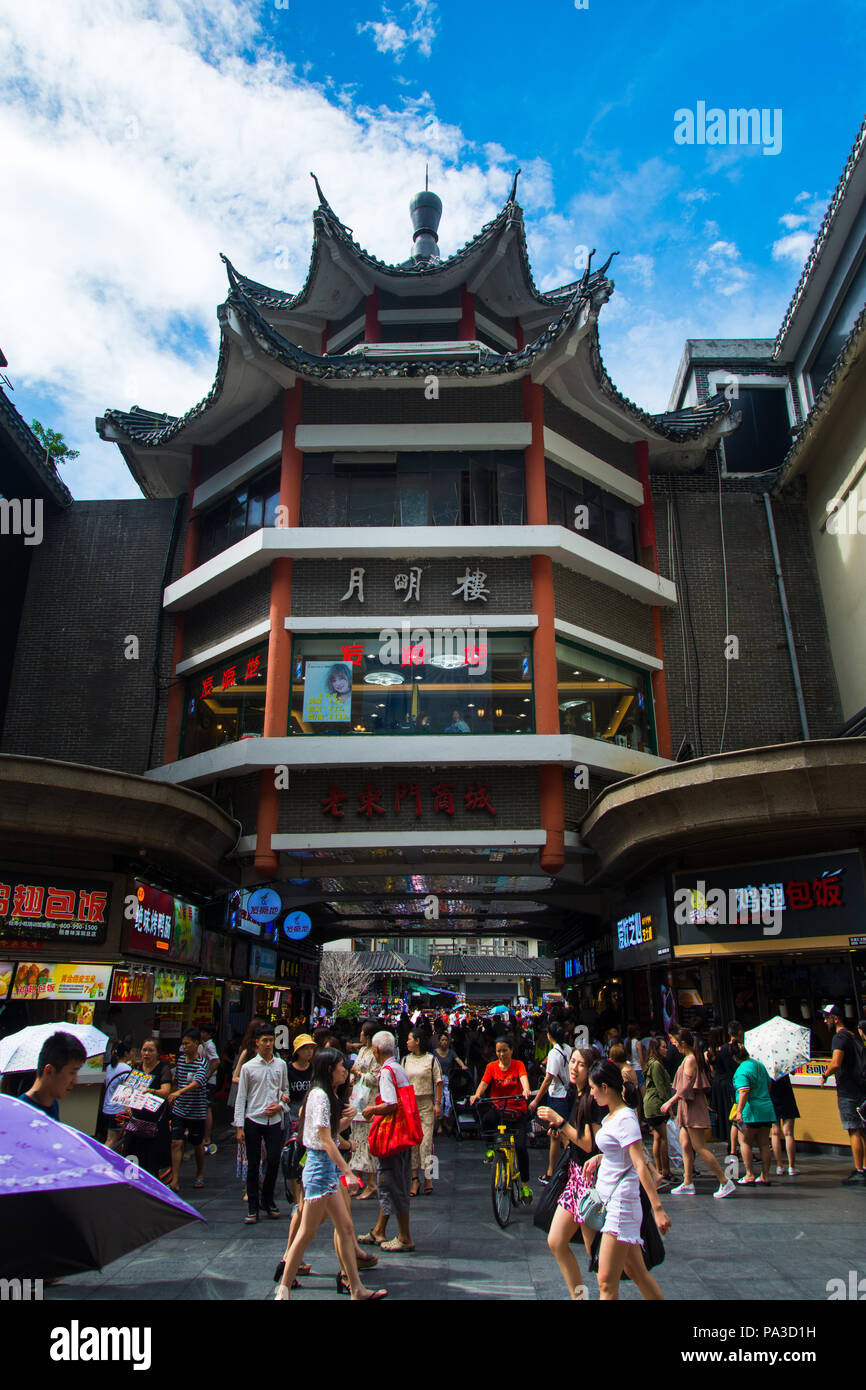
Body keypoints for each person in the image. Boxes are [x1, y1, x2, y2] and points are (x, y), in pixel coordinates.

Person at [275, 1049, 387, 1301]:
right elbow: (325, 1140)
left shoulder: (324, 1095)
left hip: (326, 1170)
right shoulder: (321, 1096)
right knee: (306, 1233)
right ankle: (282, 1291)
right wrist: (347, 1171)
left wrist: (346, 1120)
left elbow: (328, 1134)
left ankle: (356, 1288)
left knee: (345, 1227)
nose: (345, 1071)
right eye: (341, 1067)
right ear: (329, 1070)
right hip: (319, 1169)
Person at [581, 1059, 671, 1300]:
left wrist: (658, 1208)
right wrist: (601, 1157)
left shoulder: (625, 1118)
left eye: (592, 1088)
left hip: (620, 1205)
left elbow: (640, 1163)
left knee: (606, 1282)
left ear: (605, 1087)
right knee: (636, 1272)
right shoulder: (614, 1116)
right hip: (611, 1201)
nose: (591, 1094)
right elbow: (622, 1152)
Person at [539, 1047, 603, 1299]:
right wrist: (561, 1130)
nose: (574, 1068)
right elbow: (575, 1141)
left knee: (594, 1252)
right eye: (572, 1062)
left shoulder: (594, 1099)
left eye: (580, 1064)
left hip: (589, 1181)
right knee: (556, 1241)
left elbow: (589, 1144)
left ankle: (605, 1293)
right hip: (575, 1176)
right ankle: (580, 1296)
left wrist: (561, 1122)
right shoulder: (575, 1094)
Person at [358, 1031, 416, 1253]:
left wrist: (372, 1109)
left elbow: (391, 1103)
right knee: (391, 1181)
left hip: (391, 1136)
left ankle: (404, 1236)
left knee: (392, 1183)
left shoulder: (386, 1072)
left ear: (375, 1050)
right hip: (402, 1135)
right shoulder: (399, 1068)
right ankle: (379, 1230)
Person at [661, 1029, 736, 1199]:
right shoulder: (689, 1059)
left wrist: (670, 1102)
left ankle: (725, 1181)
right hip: (687, 1106)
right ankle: (687, 1182)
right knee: (686, 1145)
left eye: (675, 1042)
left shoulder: (690, 1060)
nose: (673, 1044)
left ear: (683, 1043)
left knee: (699, 1147)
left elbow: (686, 1087)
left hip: (692, 1107)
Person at [233, 1023, 289, 1224]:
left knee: (274, 1161)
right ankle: (253, 1207)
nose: (267, 1044)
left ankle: (268, 1200)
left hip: (274, 1120)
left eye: (270, 1041)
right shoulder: (248, 1068)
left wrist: (281, 1105)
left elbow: (285, 1091)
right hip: (253, 1119)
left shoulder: (280, 1065)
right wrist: (239, 1126)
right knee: (253, 1164)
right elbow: (241, 1097)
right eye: (264, 1041)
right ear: (257, 1043)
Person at [470, 1035, 533, 1203]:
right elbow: (483, 1084)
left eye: (505, 1050)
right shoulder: (491, 1067)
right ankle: (491, 1149)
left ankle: (525, 1185)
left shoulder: (518, 1065)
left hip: (516, 1112)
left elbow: (523, 1079)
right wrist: (476, 1095)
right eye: (498, 1051)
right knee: (487, 1120)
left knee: (520, 1148)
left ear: (511, 1050)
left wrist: (526, 1090)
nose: (502, 1054)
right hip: (499, 1109)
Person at [820, 1004, 866, 1185]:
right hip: (860, 1088)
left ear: (835, 1019)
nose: (825, 1021)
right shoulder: (853, 1035)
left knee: (853, 1129)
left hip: (848, 1090)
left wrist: (825, 1074)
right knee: (862, 1130)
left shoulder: (839, 1038)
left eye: (827, 1017)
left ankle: (859, 1170)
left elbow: (836, 1062)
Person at [120, 1038, 173, 1178]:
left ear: (157, 1053)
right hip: (136, 1120)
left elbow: (166, 1091)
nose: (147, 1053)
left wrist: (152, 1091)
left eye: (150, 1050)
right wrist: (126, 1105)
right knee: (131, 1154)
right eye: (144, 1050)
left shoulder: (163, 1068)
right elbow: (127, 1090)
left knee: (152, 1158)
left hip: (154, 1122)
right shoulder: (136, 1068)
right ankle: (130, 1182)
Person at [530, 1021, 573, 1184]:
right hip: (566, 1095)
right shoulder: (568, 1049)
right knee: (555, 1134)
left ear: (549, 1036)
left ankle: (572, 1168)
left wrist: (536, 1100)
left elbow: (548, 1079)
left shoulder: (555, 1053)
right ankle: (551, 1171)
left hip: (557, 1097)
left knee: (562, 1134)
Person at [167, 1027, 209, 1193]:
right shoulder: (180, 1061)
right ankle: (175, 1179)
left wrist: (179, 1092)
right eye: (183, 1044)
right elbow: (177, 1080)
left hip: (196, 1110)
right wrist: (174, 1092)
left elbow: (198, 1082)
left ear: (196, 1044)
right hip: (180, 1109)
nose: (184, 1047)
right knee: (176, 1142)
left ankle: (199, 1174)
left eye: (187, 1044)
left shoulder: (202, 1062)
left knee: (197, 1143)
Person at [402, 1028, 443, 1196]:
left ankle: (429, 1177)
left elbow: (439, 1082)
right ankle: (414, 1179)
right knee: (412, 1143)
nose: (407, 1042)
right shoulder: (405, 1060)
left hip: (426, 1104)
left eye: (409, 1039)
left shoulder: (431, 1060)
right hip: (410, 1105)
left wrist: (437, 1104)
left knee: (426, 1142)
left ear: (417, 1041)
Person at [733, 1046, 777, 1184]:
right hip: (766, 1109)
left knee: (745, 1142)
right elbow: (769, 1085)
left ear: (735, 1058)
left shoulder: (741, 1070)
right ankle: (765, 1176)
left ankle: (749, 1174)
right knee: (764, 1143)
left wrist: (739, 1111)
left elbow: (744, 1091)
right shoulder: (760, 1065)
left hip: (750, 1111)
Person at [21, 1031, 87, 1120]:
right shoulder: (22, 1111)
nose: (75, 1081)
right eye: (72, 1072)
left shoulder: (53, 1103)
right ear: (49, 1071)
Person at [230, 1021, 261, 1203]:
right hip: (249, 1105)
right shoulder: (247, 1054)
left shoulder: (276, 1059)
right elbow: (235, 1076)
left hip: (266, 1109)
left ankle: (260, 1181)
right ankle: (249, 1185)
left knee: (264, 1151)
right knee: (249, 1150)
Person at [349, 1020, 381, 1198]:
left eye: (362, 1033)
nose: (359, 1036)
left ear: (367, 1036)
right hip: (357, 1100)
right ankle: (357, 1180)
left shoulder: (375, 1054)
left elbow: (376, 1077)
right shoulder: (362, 1051)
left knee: (368, 1143)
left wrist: (359, 1075)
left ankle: (371, 1182)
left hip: (369, 1101)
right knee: (357, 1141)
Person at [641, 1037, 674, 1188]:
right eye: (663, 1047)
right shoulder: (656, 1065)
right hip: (657, 1105)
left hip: (651, 1105)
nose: (666, 1050)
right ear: (657, 1048)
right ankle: (664, 1170)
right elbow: (662, 1087)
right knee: (662, 1138)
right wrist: (669, 1106)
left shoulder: (651, 1064)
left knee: (657, 1137)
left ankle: (660, 1170)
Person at [710, 1022, 745, 1151]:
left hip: (719, 1086)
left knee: (728, 1116)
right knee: (735, 1118)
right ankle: (736, 1148)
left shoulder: (714, 1050)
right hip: (731, 1085)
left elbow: (713, 1070)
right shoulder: (732, 1049)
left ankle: (732, 1147)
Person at [433, 1029, 469, 1134]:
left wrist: (463, 1067)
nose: (444, 1042)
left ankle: (445, 1121)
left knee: (448, 1102)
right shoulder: (435, 1053)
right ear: (439, 1042)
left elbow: (458, 1060)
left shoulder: (451, 1052)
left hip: (448, 1080)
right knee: (439, 1101)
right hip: (438, 1079)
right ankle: (439, 1124)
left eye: (446, 1040)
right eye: (442, 1040)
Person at [101, 1038, 134, 1149]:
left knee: (111, 1138)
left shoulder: (110, 1067)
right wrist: (128, 1108)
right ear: (126, 1053)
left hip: (107, 1108)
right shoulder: (126, 1068)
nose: (133, 1054)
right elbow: (127, 1091)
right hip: (118, 1110)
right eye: (131, 1051)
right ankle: (102, 1162)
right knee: (112, 1140)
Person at [769, 1072, 800, 1176]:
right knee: (789, 1133)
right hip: (787, 1096)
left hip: (772, 1097)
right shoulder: (784, 1062)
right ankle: (792, 1166)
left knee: (775, 1133)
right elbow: (793, 1072)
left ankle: (779, 1166)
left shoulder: (765, 1066)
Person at [199, 1022, 220, 1155]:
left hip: (209, 1081)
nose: (202, 1034)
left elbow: (217, 1061)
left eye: (204, 1032)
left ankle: (207, 1137)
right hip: (206, 1080)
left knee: (207, 1108)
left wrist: (207, 1076)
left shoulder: (210, 1045)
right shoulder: (204, 1045)